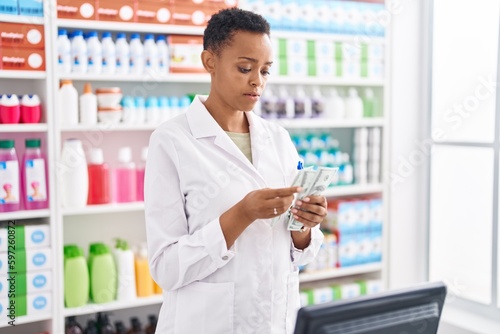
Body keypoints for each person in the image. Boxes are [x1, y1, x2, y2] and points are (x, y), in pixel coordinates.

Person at [145, 8, 327, 334]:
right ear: (209, 61)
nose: (257, 81)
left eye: (266, 70)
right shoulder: (171, 141)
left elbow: (297, 254)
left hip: (275, 321)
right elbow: (165, 268)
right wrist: (242, 213)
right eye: (245, 68)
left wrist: (304, 225)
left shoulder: (279, 140)